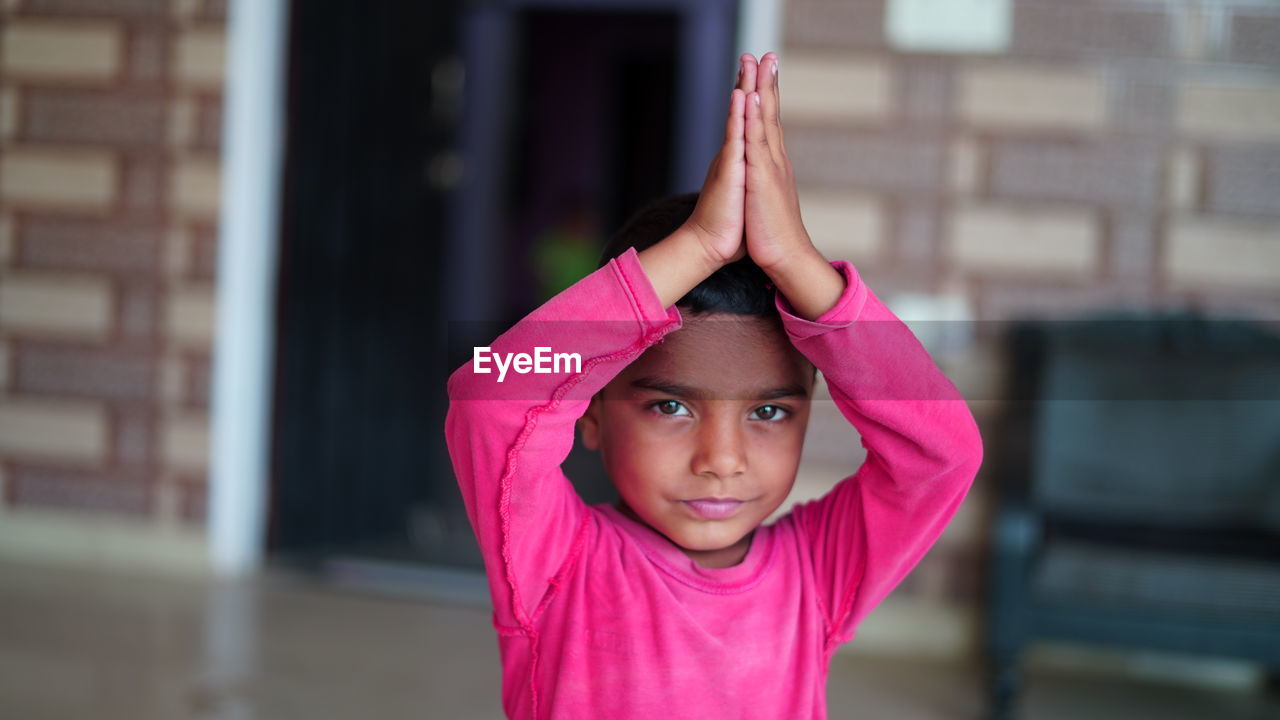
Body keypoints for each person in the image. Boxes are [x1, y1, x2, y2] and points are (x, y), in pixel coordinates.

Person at [445, 52, 984, 719]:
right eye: (670, 405)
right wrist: (699, 244)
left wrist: (798, 265)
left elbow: (943, 453)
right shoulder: (556, 560)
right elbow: (492, 394)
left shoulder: (819, 573)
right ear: (590, 412)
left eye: (767, 412)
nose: (721, 461)